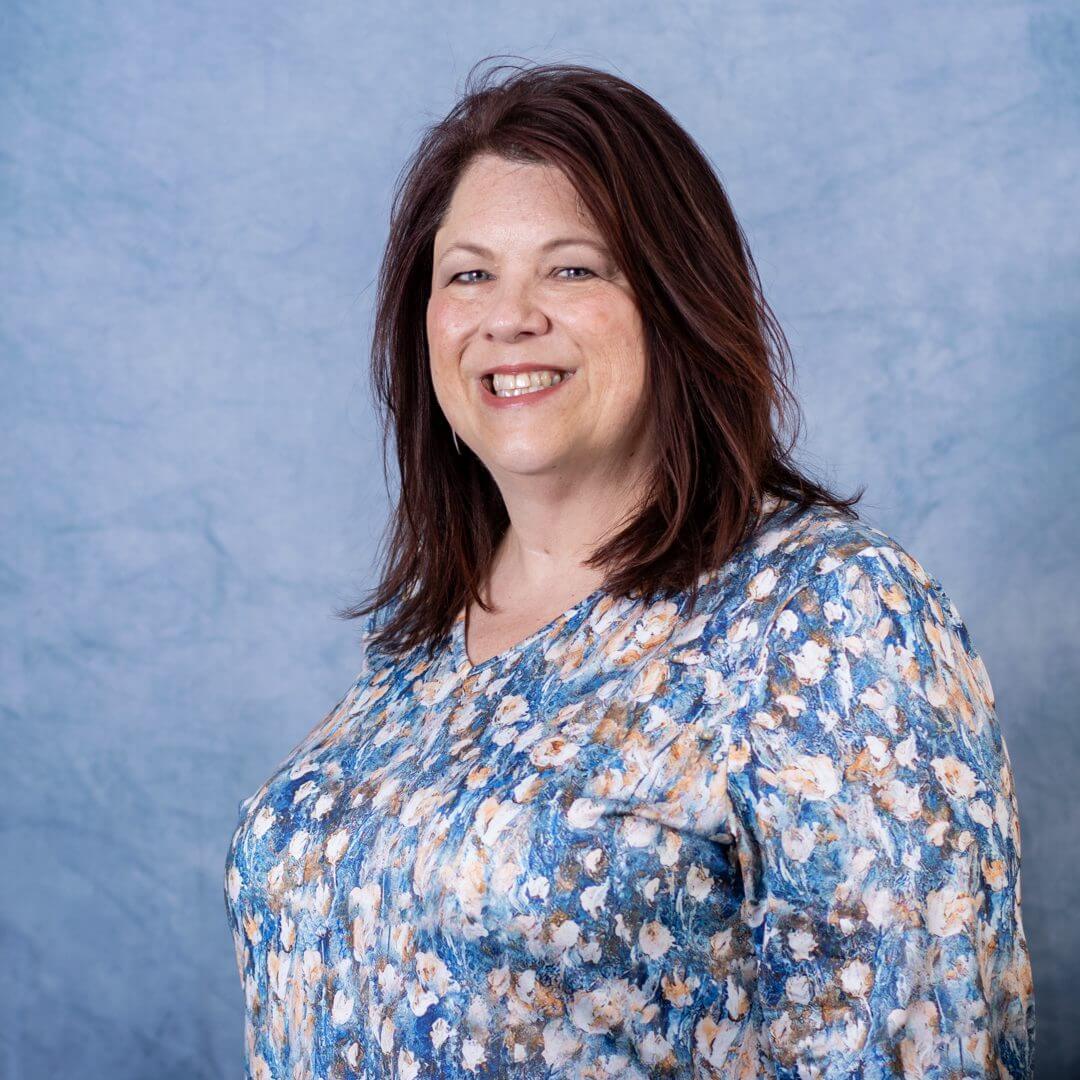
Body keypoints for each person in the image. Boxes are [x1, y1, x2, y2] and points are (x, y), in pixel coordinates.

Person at [223, 59, 1034, 1079]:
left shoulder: (829, 617)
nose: (509, 316)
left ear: (677, 302)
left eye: (572, 268)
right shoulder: (418, 653)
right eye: (469, 273)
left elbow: (915, 1051)